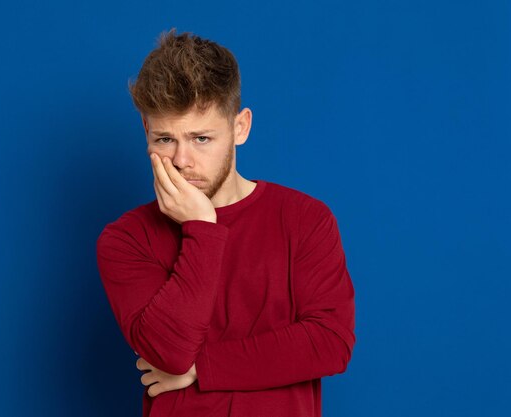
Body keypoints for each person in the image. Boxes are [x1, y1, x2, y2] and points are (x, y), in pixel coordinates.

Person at [96, 28, 356, 417]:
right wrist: (203, 227)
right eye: (165, 139)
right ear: (146, 132)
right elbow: (169, 352)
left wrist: (202, 369)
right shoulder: (126, 240)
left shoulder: (305, 219)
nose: (182, 160)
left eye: (201, 138)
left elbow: (329, 343)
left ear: (240, 128)